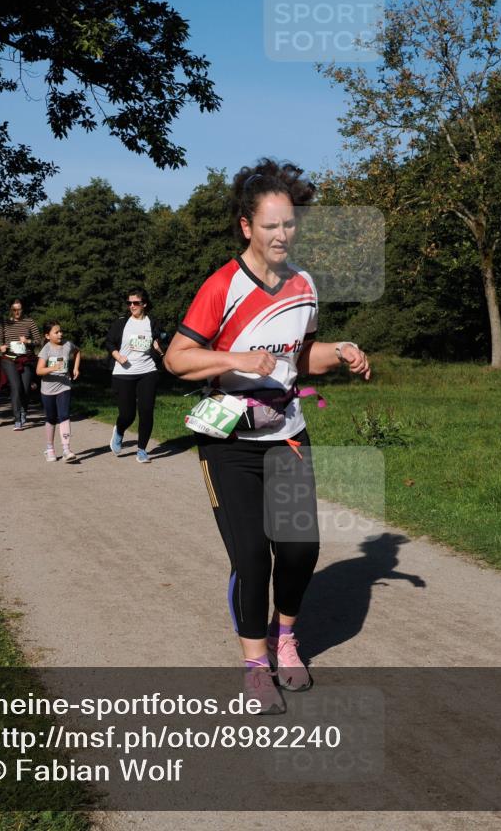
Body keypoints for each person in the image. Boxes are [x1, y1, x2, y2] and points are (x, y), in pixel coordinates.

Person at [164, 159, 370, 713]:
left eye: (290, 224)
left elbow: (302, 356)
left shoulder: (304, 286)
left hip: (288, 434)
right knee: (252, 557)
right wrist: (236, 358)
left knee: (300, 549)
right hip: (229, 442)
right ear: (247, 226)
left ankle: (286, 639)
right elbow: (177, 358)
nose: (282, 234)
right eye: (271, 224)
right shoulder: (223, 285)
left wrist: (342, 351)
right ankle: (256, 665)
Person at [105, 289, 166, 463]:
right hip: (123, 373)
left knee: (146, 411)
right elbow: (109, 342)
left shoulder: (153, 323)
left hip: (147, 371)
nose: (132, 306)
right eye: (129, 303)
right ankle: (119, 430)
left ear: (144, 304)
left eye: (136, 303)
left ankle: (142, 449)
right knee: (127, 414)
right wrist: (117, 356)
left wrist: (159, 348)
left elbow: (162, 343)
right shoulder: (121, 323)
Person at [36, 321, 81, 463]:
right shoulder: (46, 349)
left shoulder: (68, 345)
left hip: (64, 386)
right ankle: (49, 449)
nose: (60, 334)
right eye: (56, 332)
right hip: (48, 389)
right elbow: (39, 371)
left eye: (60, 331)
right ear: (47, 336)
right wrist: (52, 368)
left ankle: (67, 449)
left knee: (64, 415)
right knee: (51, 418)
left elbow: (78, 351)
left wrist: (75, 368)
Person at [0, 299, 42, 430]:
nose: (17, 312)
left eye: (19, 309)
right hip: (9, 359)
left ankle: (23, 411)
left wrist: (27, 340)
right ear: (11, 310)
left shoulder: (29, 322)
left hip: (26, 358)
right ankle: (17, 419)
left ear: (22, 309)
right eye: (14, 309)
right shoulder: (4, 323)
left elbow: (38, 341)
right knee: (16, 387)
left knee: (26, 388)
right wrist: (1, 346)